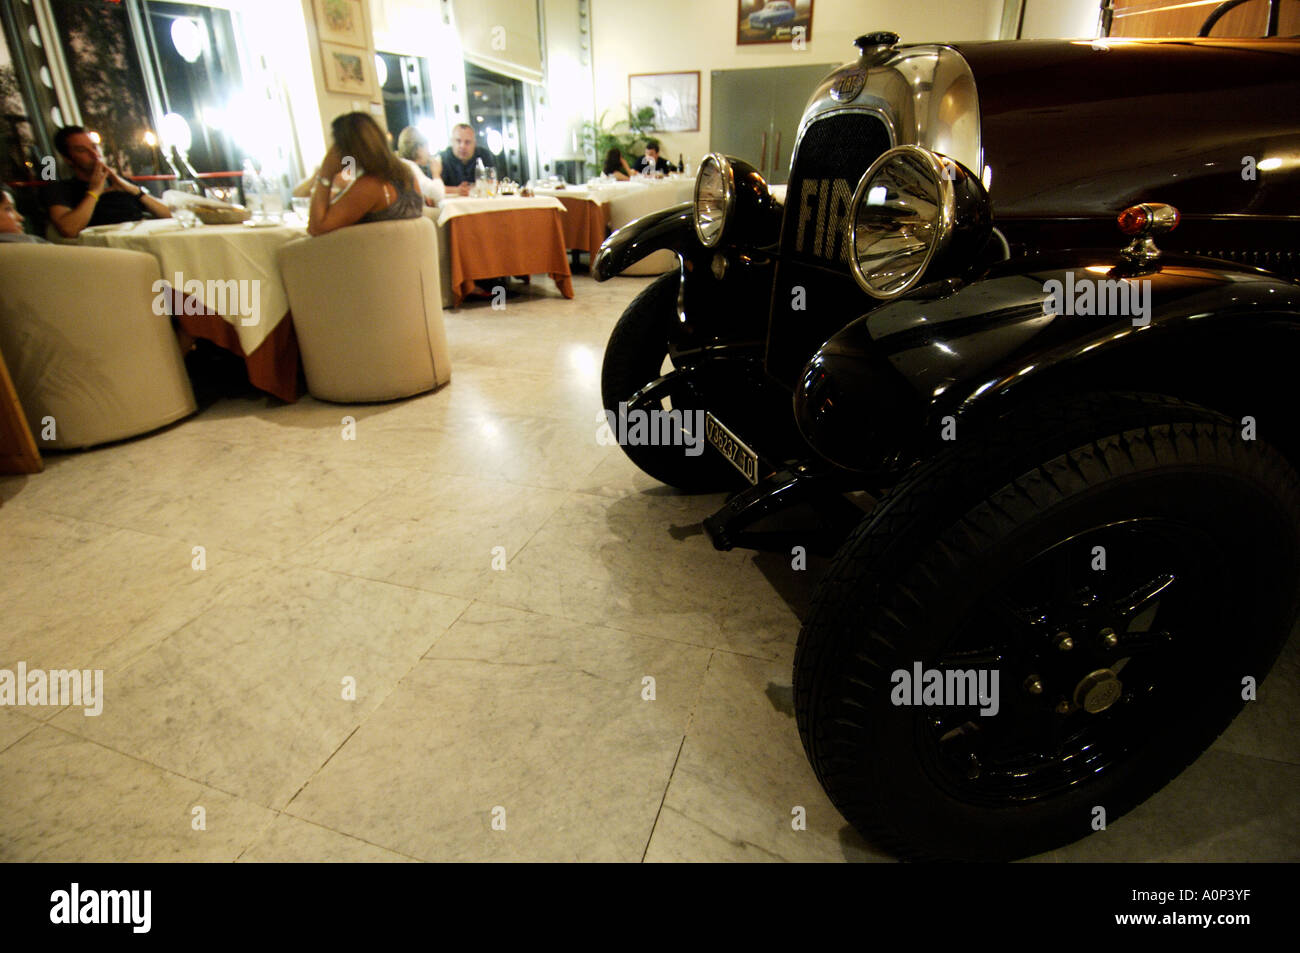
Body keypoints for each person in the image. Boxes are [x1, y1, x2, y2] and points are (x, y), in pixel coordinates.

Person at [43, 126, 171, 238]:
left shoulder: (122, 183)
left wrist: (135, 191)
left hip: (143, 238)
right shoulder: (61, 189)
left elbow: (167, 214)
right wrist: (94, 192)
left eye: (94, 147)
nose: (94, 154)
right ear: (68, 159)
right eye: (82, 150)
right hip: (109, 251)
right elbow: (69, 229)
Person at [307, 112, 424, 236]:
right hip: (403, 253)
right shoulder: (407, 174)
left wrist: (326, 172)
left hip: (373, 254)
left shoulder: (371, 185)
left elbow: (316, 228)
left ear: (346, 149)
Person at [439, 123, 496, 196]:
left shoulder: (484, 155)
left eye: (467, 142)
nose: (462, 146)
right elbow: (433, 189)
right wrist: (456, 190)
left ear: (474, 143)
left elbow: (493, 182)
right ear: (452, 141)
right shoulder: (442, 158)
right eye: (458, 141)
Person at [395, 126, 446, 207]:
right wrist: (436, 174)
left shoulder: (403, 164)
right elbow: (439, 194)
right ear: (419, 148)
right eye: (427, 147)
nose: (429, 153)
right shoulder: (410, 167)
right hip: (410, 214)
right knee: (443, 213)